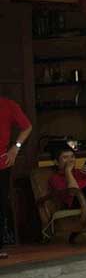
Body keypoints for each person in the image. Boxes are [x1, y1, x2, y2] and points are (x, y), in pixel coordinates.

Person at [0, 96, 31, 259]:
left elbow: (26, 127)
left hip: (1, 163)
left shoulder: (8, 105)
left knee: (1, 203)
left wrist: (16, 147)